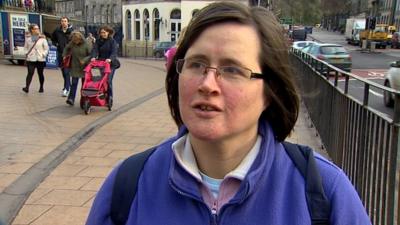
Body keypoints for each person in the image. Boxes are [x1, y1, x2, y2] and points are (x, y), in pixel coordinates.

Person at [86, 2, 371, 225]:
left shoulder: (324, 192)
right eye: (197, 64)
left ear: (270, 90)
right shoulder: (128, 184)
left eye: (232, 70)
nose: (207, 84)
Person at [90, 25, 119, 101]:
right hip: (100, 63)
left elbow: (114, 52)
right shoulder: (98, 41)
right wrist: (93, 57)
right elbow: (95, 50)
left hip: (110, 64)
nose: (103, 34)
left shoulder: (112, 42)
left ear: (108, 32)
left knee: (108, 80)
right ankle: (100, 94)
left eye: (104, 32)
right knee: (97, 80)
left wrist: (110, 59)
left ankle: (110, 96)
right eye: (101, 32)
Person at [63, 31, 91, 106]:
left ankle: (83, 100)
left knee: (84, 85)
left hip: (84, 67)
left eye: (77, 40)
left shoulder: (87, 44)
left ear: (81, 39)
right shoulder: (72, 43)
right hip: (75, 65)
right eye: (74, 41)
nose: (76, 42)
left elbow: (91, 55)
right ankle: (71, 99)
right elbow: (67, 48)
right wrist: (64, 55)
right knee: (74, 83)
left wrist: (85, 60)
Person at [22, 24, 49, 93]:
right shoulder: (28, 38)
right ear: (32, 30)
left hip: (40, 58)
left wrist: (43, 54)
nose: (37, 30)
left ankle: (41, 87)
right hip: (31, 58)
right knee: (30, 73)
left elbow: (46, 49)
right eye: (36, 28)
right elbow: (25, 48)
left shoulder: (42, 39)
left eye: (38, 28)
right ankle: (27, 87)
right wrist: (26, 53)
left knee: (40, 73)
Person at [52, 16, 73, 97]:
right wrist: (56, 44)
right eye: (62, 21)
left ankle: (66, 89)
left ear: (68, 22)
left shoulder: (71, 31)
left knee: (66, 71)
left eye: (65, 21)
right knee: (63, 72)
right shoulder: (57, 31)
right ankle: (67, 85)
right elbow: (53, 38)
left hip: (69, 54)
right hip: (60, 53)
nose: (63, 22)